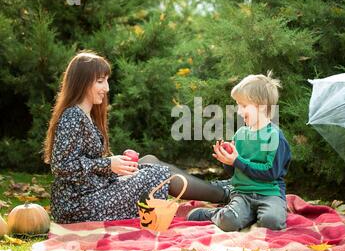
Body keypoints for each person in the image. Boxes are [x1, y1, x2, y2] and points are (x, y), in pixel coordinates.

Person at [43, 50, 229, 224]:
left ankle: (220, 189)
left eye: (106, 81)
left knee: (149, 161)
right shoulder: (72, 116)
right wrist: (109, 164)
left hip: (93, 193)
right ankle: (226, 193)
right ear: (82, 82)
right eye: (100, 81)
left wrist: (117, 165)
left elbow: (86, 164)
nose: (106, 88)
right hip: (78, 206)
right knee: (159, 175)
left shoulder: (86, 115)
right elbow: (61, 166)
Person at [187, 71, 292, 231]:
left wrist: (237, 161)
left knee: (272, 222)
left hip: (270, 193)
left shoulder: (274, 137)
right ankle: (216, 214)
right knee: (229, 221)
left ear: (261, 106)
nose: (239, 111)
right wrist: (227, 161)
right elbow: (235, 171)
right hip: (242, 193)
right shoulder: (241, 134)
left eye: (243, 106)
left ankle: (247, 216)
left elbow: (270, 172)